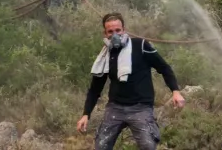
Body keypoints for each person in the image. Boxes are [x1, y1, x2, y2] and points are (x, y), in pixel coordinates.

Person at [77, 13, 185, 150]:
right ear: (105, 33)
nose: (115, 34)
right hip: (115, 107)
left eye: (118, 30)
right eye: (110, 31)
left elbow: (164, 68)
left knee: (148, 146)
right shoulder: (105, 55)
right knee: (101, 145)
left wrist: (175, 91)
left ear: (124, 30)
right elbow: (95, 89)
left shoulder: (141, 46)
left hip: (141, 108)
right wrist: (86, 114)